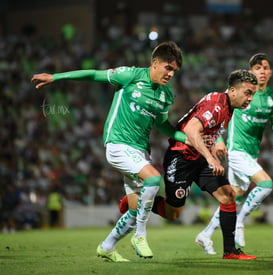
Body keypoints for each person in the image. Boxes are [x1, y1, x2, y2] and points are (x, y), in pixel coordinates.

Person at [31, 41, 188, 262]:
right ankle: (140, 236)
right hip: (118, 145)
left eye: (174, 71)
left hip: (140, 151)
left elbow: (162, 124)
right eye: (168, 68)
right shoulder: (130, 75)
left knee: (134, 210)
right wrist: (56, 77)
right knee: (153, 179)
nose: (171, 74)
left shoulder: (166, 95)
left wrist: (187, 137)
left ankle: (107, 246)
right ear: (155, 63)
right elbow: (94, 74)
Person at [151, 69, 258, 260]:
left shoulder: (228, 106)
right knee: (173, 213)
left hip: (199, 158)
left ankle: (230, 251)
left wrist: (218, 141)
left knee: (228, 195)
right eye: (248, 93)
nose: (250, 98)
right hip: (181, 157)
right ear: (233, 90)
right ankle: (139, 200)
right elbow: (192, 130)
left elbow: (211, 128)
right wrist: (210, 158)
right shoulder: (217, 106)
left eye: (253, 94)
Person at [195, 53, 273, 254]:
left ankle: (205, 235)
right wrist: (219, 140)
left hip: (251, 153)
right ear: (251, 72)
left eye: (265, 68)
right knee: (266, 184)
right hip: (236, 150)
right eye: (258, 68)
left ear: (270, 72)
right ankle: (240, 222)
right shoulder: (239, 91)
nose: (262, 71)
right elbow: (217, 115)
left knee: (232, 197)